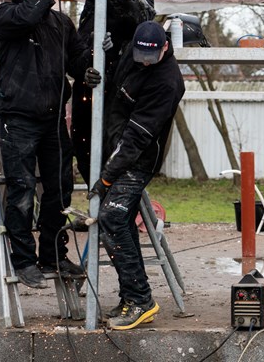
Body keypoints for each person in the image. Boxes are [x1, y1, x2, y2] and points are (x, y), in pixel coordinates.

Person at [0, 0, 101, 289]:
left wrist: (94, 60)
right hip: (20, 119)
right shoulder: (8, 15)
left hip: (54, 121)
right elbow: (29, 14)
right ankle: (23, 260)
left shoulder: (59, 23)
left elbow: (76, 61)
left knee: (60, 191)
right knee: (23, 191)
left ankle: (52, 254)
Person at [89, 21, 185, 330]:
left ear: (165, 48)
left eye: (150, 58)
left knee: (113, 218)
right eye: (139, 55)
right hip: (118, 146)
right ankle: (132, 296)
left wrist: (106, 177)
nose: (143, 62)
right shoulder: (135, 51)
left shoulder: (167, 82)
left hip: (139, 157)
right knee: (118, 220)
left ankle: (142, 300)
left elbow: (137, 136)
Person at [71, 0, 156, 184]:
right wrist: (89, 62)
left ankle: (111, 207)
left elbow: (145, 15)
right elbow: (82, 39)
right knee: (84, 144)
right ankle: (94, 201)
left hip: (121, 83)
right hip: (90, 77)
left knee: (115, 144)